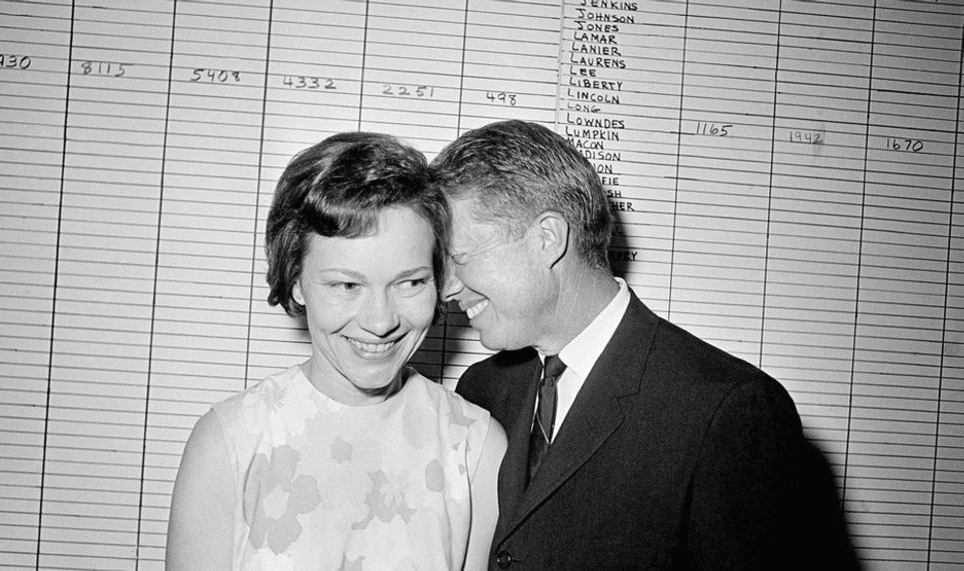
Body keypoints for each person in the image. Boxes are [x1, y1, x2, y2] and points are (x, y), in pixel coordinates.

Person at [430, 120, 858, 569]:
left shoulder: (729, 412)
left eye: (459, 259)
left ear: (547, 239)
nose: (447, 289)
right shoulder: (483, 390)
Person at [167, 132, 506, 569]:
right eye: (347, 285)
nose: (380, 321)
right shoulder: (229, 442)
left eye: (410, 282)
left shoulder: (476, 448)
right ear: (295, 281)